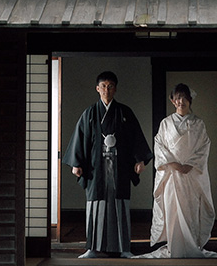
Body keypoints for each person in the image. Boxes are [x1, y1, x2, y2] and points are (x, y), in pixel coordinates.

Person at [63, 71, 153, 258]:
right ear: (97, 89)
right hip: (97, 168)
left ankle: (124, 248)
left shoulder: (124, 113)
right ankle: (92, 248)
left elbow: (135, 137)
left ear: (115, 89)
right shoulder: (89, 114)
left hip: (119, 167)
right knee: (96, 205)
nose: (107, 89)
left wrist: (140, 159)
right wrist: (76, 163)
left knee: (119, 205)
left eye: (110, 86)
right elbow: (80, 139)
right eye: (103, 86)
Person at [143, 83, 217, 259]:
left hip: (191, 175)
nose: (180, 101)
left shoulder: (198, 123)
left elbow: (203, 147)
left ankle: (191, 245)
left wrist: (189, 165)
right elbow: (159, 146)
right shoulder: (166, 123)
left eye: (184, 98)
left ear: (189, 100)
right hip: (172, 174)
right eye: (177, 98)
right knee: (172, 210)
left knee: (190, 210)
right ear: (172, 100)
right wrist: (174, 164)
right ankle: (173, 247)